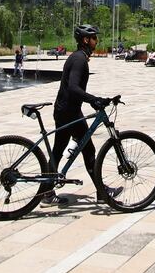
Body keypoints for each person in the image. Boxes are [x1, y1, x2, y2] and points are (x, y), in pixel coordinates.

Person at [42, 25, 120, 207]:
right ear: (86, 40)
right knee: (85, 150)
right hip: (68, 112)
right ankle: (101, 192)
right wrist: (93, 99)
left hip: (68, 110)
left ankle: (47, 192)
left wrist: (91, 100)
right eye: (94, 38)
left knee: (62, 150)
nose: (96, 41)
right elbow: (73, 88)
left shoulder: (78, 57)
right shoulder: (79, 60)